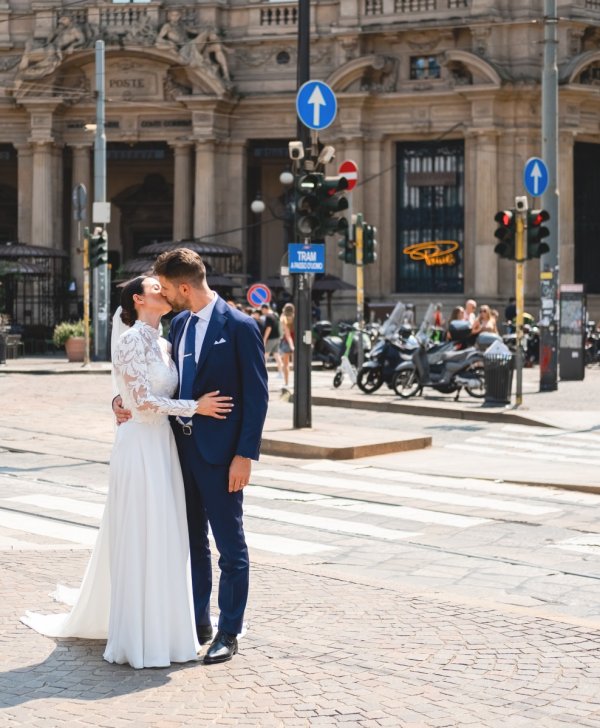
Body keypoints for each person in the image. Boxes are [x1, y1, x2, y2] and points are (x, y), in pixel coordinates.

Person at [21, 276, 232, 669]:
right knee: (141, 532)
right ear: (138, 299)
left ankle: (168, 626)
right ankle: (139, 634)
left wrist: (126, 398)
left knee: (166, 534)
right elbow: (142, 401)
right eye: (155, 285)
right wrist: (194, 407)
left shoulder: (167, 342)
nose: (164, 289)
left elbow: (146, 392)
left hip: (164, 448)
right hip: (138, 446)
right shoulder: (130, 340)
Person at [115, 249, 269, 665]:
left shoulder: (239, 326)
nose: (163, 295)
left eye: (165, 288)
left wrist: (244, 456)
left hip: (222, 458)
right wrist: (121, 398)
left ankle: (228, 632)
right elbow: (155, 384)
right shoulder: (179, 325)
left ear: (184, 287)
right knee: (192, 544)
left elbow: (257, 397)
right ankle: (198, 620)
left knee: (230, 548)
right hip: (177, 452)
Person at [261, 302, 282, 376]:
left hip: (271, 338)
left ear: (265, 309)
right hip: (277, 337)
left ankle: (262, 372)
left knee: (265, 355)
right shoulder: (275, 315)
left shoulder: (269, 316)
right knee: (276, 355)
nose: (262, 312)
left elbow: (268, 328)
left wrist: (264, 339)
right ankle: (280, 372)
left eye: (262, 310)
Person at [279, 302, 295, 387]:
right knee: (297, 364)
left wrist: (291, 345)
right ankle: (297, 383)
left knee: (286, 364)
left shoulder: (283, 319)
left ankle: (286, 383)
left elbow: (287, 334)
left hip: (287, 342)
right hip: (296, 342)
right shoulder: (296, 318)